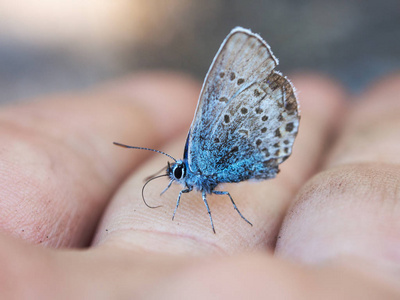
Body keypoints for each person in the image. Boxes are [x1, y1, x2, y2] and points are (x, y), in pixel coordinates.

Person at [1, 71, 399, 298]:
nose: (174, 175)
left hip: (243, 151)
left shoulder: (196, 166)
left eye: (175, 174)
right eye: (174, 173)